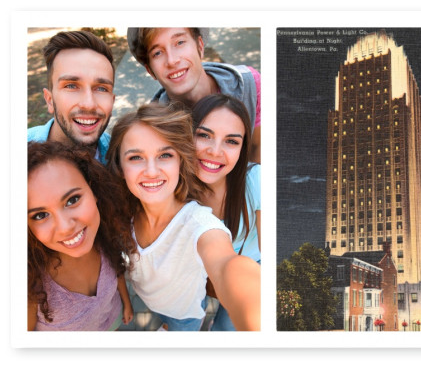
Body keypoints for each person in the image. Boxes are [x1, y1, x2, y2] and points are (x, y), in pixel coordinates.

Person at [105, 103, 260, 331]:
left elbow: (226, 264)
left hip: (185, 316)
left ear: (181, 161)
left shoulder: (199, 224)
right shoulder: (122, 212)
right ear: (120, 165)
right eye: (136, 157)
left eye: (165, 155)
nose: (151, 171)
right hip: (153, 304)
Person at [27, 141, 135, 331]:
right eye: (40, 215)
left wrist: (126, 301)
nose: (65, 227)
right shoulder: (29, 285)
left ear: (93, 191)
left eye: (73, 200)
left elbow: (117, 271)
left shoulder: (103, 235)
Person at [126, 27, 261, 163]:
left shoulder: (249, 85)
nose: (172, 61)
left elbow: (258, 150)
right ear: (150, 71)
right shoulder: (154, 127)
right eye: (157, 53)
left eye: (179, 43)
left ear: (200, 46)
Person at [192, 94, 260, 331]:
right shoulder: (172, 185)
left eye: (231, 141)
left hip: (250, 270)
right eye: (204, 135)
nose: (215, 151)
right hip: (196, 276)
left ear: (242, 148)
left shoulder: (256, 180)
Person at [27, 30, 116, 164]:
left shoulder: (121, 158)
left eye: (102, 88)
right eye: (71, 86)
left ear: (112, 101)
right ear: (49, 100)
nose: (89, 104)